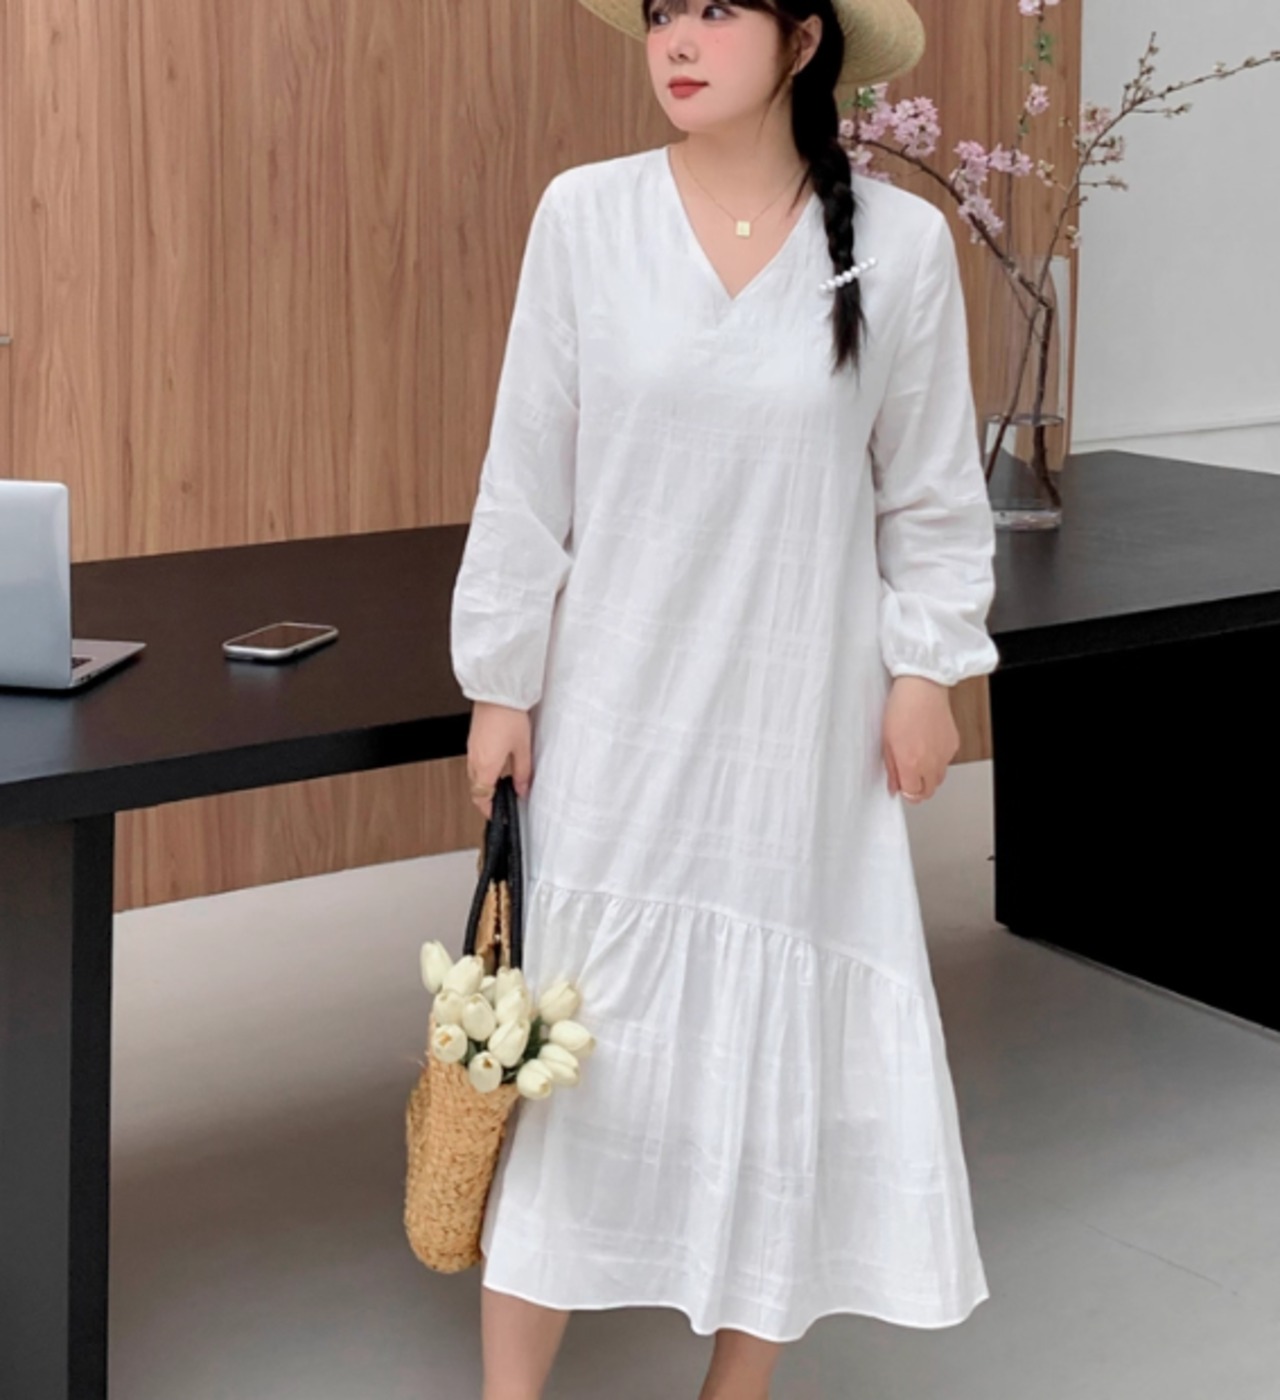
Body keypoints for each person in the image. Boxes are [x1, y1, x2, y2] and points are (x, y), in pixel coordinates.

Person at [450, 1, 1001, 1396]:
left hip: (794, 732)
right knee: (572, 1061)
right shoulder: (586, 216)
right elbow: (525, 474)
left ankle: (734, 1388)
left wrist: (927, 668)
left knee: (778, 1068)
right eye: (660, 13)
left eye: (715, 10)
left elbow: (933, 493)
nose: (677, 42)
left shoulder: (900, 246)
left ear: (804, 41)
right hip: (617, 719)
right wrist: (502, 683)